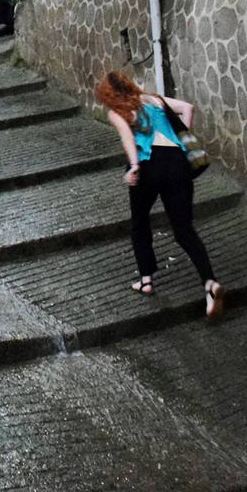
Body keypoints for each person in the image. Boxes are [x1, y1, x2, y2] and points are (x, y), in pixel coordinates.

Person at [94, 71, 225, 319]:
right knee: (184, 229)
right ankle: (210, 283)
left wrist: (133, 167)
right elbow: (188, 107)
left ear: (108, 95)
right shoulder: (153, 99)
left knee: (140, 222)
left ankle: (146, 279)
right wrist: (181, 136)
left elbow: (127, 140)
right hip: (177, 162)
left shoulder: (116, 111)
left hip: (148, 164)